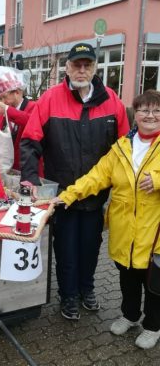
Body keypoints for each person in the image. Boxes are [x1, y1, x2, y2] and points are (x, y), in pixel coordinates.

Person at [20, 42, 130, 320]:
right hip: (62, 195)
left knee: (91, 248)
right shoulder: (50, 99)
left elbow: (125, 149)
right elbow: (31, 141)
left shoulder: (112, 101)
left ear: (94, 68)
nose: (82, 70)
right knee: (66, 249)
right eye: (76, 64)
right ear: (66, 68)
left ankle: (87, 289)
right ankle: (68, 296)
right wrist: (30, 179)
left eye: (87, 65)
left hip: (96, 196)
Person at [51, 89, 160, 349]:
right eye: (144, 110)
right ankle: (130, 315)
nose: (150, 115)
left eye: (156, 110)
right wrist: (66, 196)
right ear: (135, 115)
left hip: (155, 230)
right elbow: (96, 176)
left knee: (154, 283)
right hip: (124, 229)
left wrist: (157, 180)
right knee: (127, 276)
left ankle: (153, 326)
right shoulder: (122, 147)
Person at [0, 66, 35, 171]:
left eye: (4, 97)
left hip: (28, 167)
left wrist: (7, 110)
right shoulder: (3, 112)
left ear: (16, 92)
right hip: (7, 167)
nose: (2, 101)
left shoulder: (33, 107)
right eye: (0, 98)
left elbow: (31, 122)